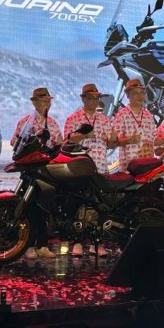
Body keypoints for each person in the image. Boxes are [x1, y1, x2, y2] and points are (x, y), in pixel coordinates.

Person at [11, 87, 63, 259]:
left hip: (45, 170)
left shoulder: (53, 123)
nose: (47, 103)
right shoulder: (25, 122)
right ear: (34, 102)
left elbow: (59, 143)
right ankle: (27, 245)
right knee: (27, 208)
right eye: (43, 100)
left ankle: (42, 245)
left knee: (43, 207)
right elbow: (14, 142)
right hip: (29, 169)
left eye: (48, 101)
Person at [64, 83, 113, 257]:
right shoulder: (74, 118)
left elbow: (111, 142)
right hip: (80, 168)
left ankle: (96, 243)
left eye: (97, 98)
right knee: (79, 205)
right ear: (83, 99)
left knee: (99, 206)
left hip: (100, 167)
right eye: (91, 98)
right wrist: (84, 135)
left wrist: (110, 140)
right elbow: (67, 141)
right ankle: (77, 242)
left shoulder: (104, 120)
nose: (94, 101)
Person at [111, 78, 156, 173]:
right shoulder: (121, 115)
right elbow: (112, 143)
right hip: (129, 169)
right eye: (136, 93)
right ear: (128, 95)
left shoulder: (148, 115)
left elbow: (154, 139)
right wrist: (128, 140)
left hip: (148, 167)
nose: (140, 96)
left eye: (142, 93)